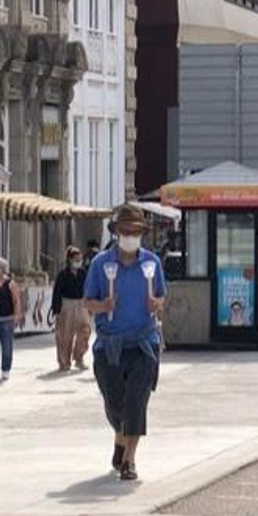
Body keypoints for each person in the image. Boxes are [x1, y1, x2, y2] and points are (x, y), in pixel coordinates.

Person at [82, 204, 166, 483]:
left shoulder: (151, 263)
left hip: (144, 341)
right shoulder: (99, 265)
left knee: (137, 401)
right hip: (110, 345)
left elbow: (162, 297)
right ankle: (120, 437)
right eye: (125, 231)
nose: (130, 235)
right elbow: (87, 302)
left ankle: (129, 459)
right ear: (116, 233)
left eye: (135, 232)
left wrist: (157, 304)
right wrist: (103, 304)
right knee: (115, 403)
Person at [53, 245, 90, 372]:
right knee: (65, 335)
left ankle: (79, 357)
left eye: (80, 259)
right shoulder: (63, 275)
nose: (79, 261)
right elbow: (57, 292)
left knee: (85, 331)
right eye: (76, 259)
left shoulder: (83, 273)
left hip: (81, 304)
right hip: (66, 305)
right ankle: (64, 362)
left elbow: (88, 288)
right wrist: (56, 309)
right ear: (70, 260)